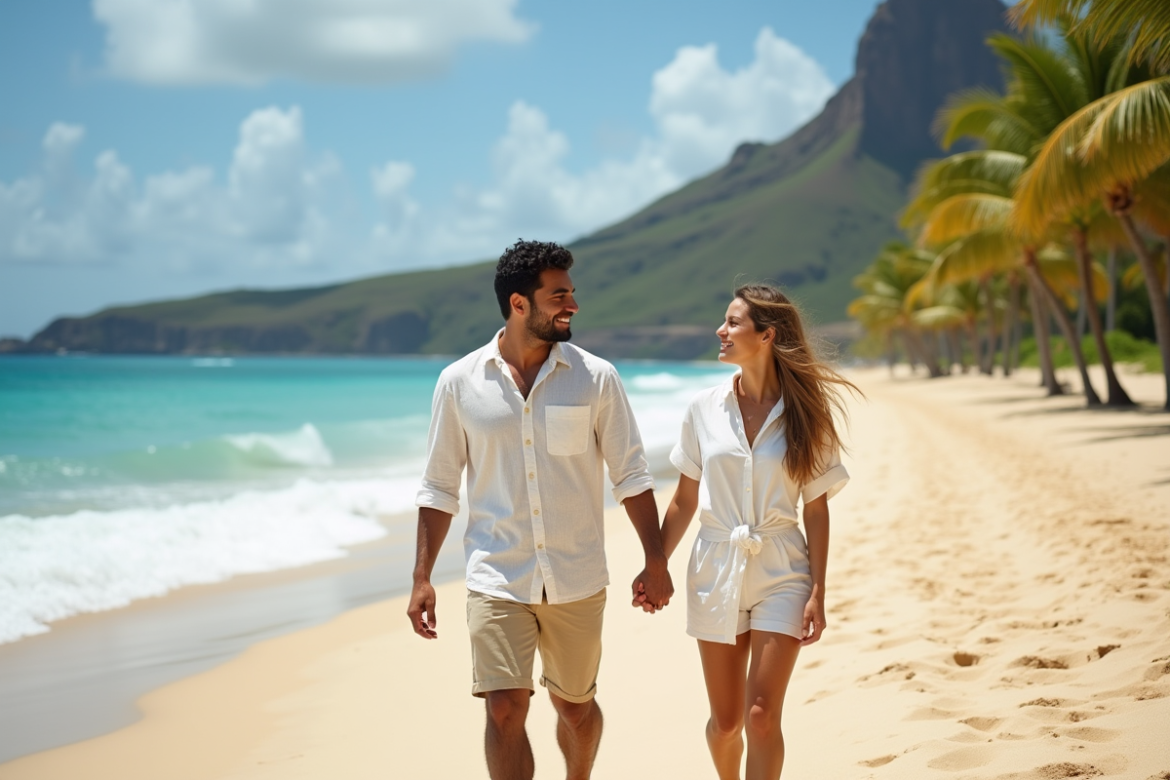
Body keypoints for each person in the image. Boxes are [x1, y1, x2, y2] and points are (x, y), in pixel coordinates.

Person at [408, 239, 673, 780]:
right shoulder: (459, 383)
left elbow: (631, 475)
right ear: (519, 304)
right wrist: (421, 577)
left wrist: (656, 559)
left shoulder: (596, 378)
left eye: (571, 294)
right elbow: (439, 486)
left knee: (575, 708)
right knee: (504, 707)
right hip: (496, 574)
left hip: (576, 575)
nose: (571, 305)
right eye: (558, 295)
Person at [655, 284, 857, 780]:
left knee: (761, 719)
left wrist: (818, 591)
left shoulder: (807, 414)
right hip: (715, 566)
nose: (720, 331)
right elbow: (684, 500)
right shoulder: (703, 408)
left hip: (782, 569)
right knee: (727, 725)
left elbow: (816, 509)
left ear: (766, 335)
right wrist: (654, 562)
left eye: (732, 323)